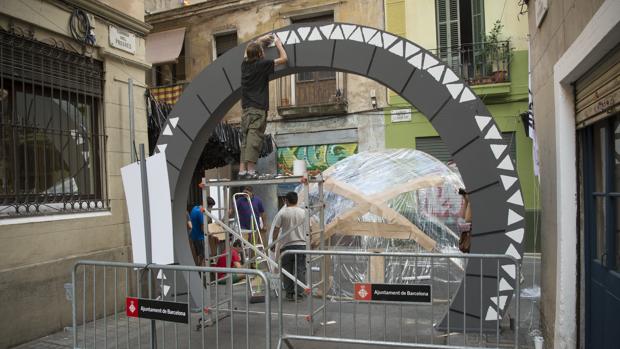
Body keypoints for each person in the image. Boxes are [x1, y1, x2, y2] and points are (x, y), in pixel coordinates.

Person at [238, 33, 288, 179]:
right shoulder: (262, 65)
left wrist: (259, 40)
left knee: (246, 140)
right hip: (258, 109)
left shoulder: (244, 65)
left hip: (246, 110)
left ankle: (242, 171)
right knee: (254, 140)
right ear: (260, 54)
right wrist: (279, 45)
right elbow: (284, 59)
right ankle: (251, 171)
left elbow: (246, 51)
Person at [272, 191, 307, 301]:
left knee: (287, 271)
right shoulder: (304, 213)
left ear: (286, 200)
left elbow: (276, 229)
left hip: (287, 246)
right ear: (296, 200)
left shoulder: (282, 213)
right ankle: (300, 295)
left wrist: (273, 243)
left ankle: (289, 294)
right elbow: (309, 229)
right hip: (301, 245)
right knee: (300, 270)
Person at [188, 197, 217, 266]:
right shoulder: (201, 212)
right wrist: (211, 234)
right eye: (211, 207)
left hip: (194, 236)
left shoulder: (195, 208)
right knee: (203, 257)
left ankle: (199, 271)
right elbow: (203, 228)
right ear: (207, 205)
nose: (211, 209)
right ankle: (201, 272)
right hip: (200, 237)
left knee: (198, 256)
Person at [458, 188, 472, 253]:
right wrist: (466, 200)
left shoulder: (471, 204)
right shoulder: (468, 203)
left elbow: (468, 220)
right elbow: (463, 216)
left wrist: (469, 202)